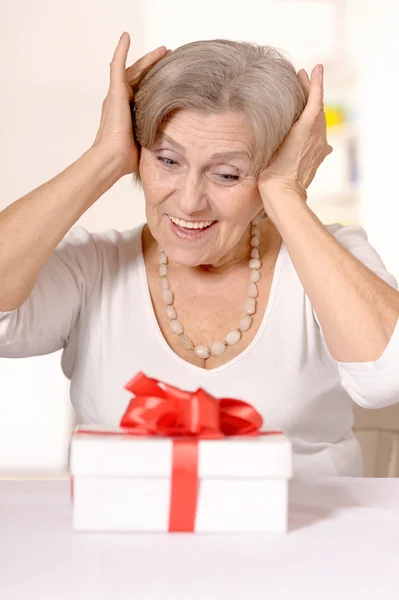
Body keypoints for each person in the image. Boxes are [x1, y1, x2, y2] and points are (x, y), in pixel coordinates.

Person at [1, 33, 398, 478]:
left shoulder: (329, 257)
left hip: (310, 540)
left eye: (227, 174)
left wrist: (287, 195)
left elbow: (386, 377)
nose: (189, 202)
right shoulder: (94, 267)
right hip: (125, 542)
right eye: (168, 161)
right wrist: (104, 157)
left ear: (276, 166)